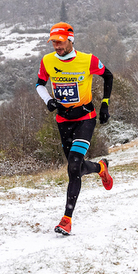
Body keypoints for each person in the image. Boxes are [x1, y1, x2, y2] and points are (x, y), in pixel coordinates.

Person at [36, 22, 114, 235]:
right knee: (75, 168)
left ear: (71, 40)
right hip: (63, 120)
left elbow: (108, 76)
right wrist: (48, 101)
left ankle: (66, 219)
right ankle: (100, 168)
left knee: (74, 165)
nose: (56, 47)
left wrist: (105, 103)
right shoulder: (47, 61)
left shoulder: (88, 60)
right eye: (53, 42)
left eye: (60, 42)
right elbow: (39, 84)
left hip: (85, 118)